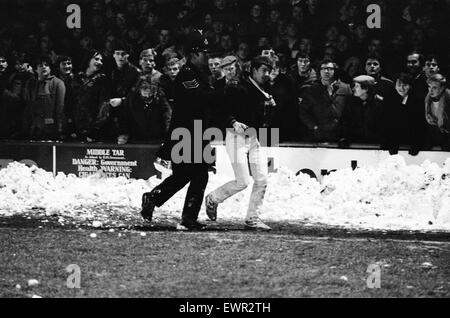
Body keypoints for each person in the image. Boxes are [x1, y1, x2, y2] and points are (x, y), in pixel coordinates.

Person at [140, 30, 216, 231]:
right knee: (193, 174)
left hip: (197, 132)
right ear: (193, 54)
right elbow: (202, 99)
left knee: (190, 174)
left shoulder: (199, 74)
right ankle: (183, 215)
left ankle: (159, 200)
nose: (207, 56)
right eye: (203, 52)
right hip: (187, 133)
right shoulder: (187, 75)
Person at [204, 55, 276, 231]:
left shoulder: (262, 88)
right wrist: (233, 122)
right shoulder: (237, 86)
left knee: (262, 179)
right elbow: (220, 110)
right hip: (235, 137)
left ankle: (252, 217)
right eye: (263, 71)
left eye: (269, 71)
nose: (266, 74)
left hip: (253, 137)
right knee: (242, 181)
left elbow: (263, 118)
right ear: (253, 70)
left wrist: (269, 108)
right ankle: (213, 198)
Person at [299, 59, 352, 142]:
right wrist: (314, 126)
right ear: (319, 71)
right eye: (323, 68)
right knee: (274, 146)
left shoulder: (346, 88)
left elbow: (351, 111)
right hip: (319, 135)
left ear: (335, 71)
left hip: (340, 135)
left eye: (330, 69)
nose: (326, 71)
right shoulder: (312, 90)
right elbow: (303, 111)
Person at [22, 57, 66, 140]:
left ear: (50, 68)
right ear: (36, 69)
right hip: (34, 127)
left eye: (46, 65)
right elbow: (28, 106)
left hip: (51, 127)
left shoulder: (58, 83)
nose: (44, 67)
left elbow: (60, 107)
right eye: (40, 65)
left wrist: (59, 128)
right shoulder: (31, 83)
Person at [340, 75, 384, 146]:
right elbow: (345, 122)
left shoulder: (380, 103)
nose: (353, 89)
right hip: (354, 143)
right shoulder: (350, 102)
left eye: (357, 86)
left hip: (375, 144)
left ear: (366, 88)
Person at [424, 74, 450, 150]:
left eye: (434, 87)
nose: (430, 90)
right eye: (429, 86)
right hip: (434, 132)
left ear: (442, 88)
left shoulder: (448, 98)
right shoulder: (427, 98)